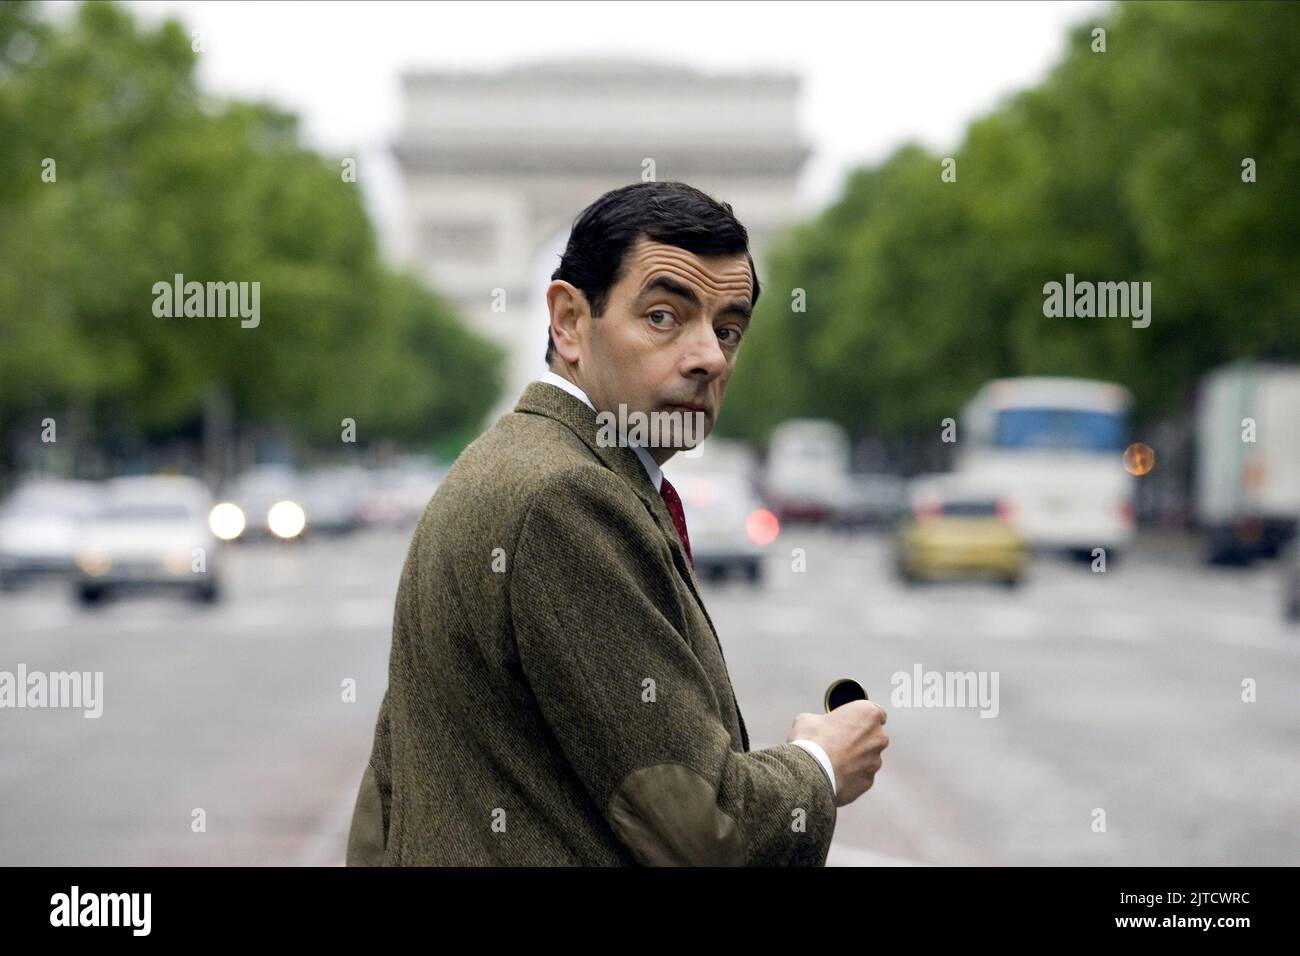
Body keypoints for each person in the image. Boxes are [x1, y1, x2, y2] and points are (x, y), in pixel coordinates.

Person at [346, 180, 889, 866]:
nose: (710, 357)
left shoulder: (499, 466)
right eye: (664, 316)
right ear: (569, 321)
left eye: (728, 329)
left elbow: (386, 795)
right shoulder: (567, 499)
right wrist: (824, 765)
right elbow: (698, 828)